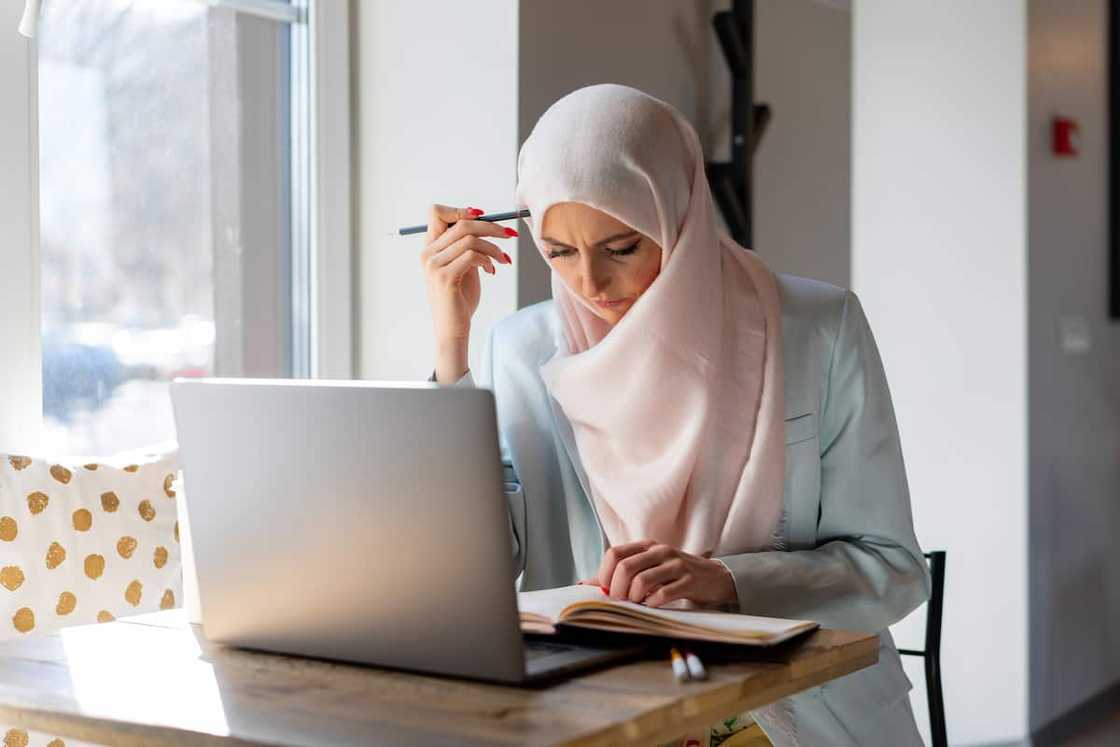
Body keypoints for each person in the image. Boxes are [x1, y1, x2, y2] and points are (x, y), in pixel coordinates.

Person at [421, 84, 929, 747]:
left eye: (622, 246)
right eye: (559, 251)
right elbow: (470, 563)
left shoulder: (817, 330)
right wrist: (450, 344)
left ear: (680, 213)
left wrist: (729, 582)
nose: (590, 284)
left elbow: (892, 566)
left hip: (800, 715)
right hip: (597, 716)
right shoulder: (519, 352)